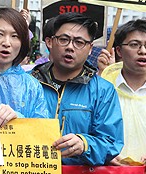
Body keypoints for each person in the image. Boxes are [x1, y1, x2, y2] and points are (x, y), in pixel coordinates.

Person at [30, 12, 123, 165]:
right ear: (50, 42)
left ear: (90, 48)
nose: (70, 47)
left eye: (79, 42)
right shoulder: (29, 82)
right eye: (64, 39)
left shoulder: (103, 90)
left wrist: (84, 144)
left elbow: (111, 142)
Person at [101, 20, 146, 171]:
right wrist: (101, 151)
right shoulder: (101, 88)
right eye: (134, 44)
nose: (143, 51)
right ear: (119, 51)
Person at [0, 8, 49, 129]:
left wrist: (18, 118)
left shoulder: (32, 86)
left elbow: (42, 133)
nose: (7, 43)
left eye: (14, 36)